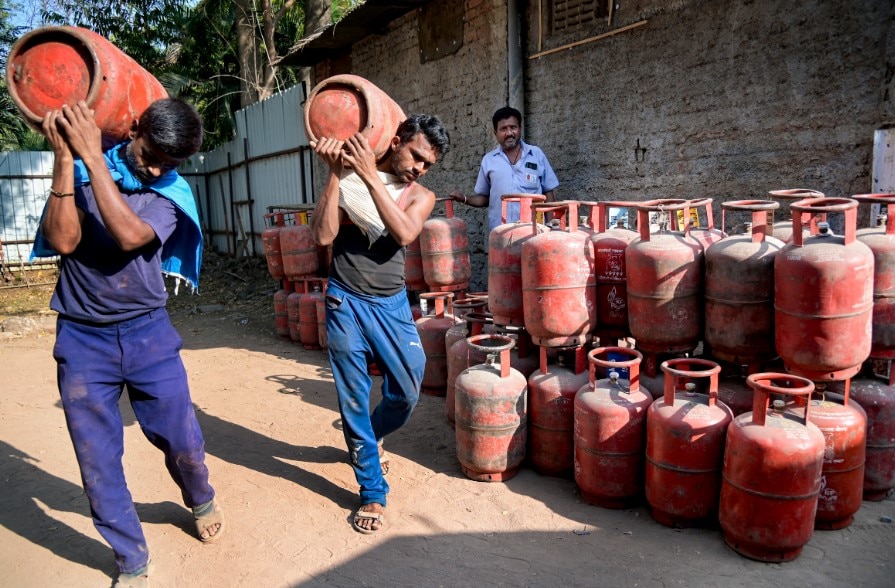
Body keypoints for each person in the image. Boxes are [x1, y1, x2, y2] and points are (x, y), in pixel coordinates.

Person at [33, 98, 223, 588]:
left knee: (180, 437)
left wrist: (92, 160)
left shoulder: (169, 191)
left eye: (170, 162)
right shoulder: (77, 170)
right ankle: (130, 558)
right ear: (134, 128)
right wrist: (65, 161)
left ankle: (199, 496)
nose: (158, 167)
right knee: (96, 457)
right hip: (81, 337)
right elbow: (63, 241)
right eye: (151, 154)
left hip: (148, 332)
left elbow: (131, 237)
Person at [309, 114, 450, 534]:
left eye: (428, 164)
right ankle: (372, 489)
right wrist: (336, 175)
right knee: (352, 396)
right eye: (416, 156)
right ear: (398, 139)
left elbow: (405, 232)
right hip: (344, 300)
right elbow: (321, 236)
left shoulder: (420, 194)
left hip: (391, 305)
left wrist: (371, 177)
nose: (419, 167)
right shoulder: (349, 178)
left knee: (407, 390)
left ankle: (368, 440)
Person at [450, 106, 559, 231]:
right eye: (503, 129)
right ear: (495, 133)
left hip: (534, 231)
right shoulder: (489, 160)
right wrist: (464, 198)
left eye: (513, 127)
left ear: (520, 129)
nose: (509, 133)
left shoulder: (536, 155)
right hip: (501, 233)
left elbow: (548, 192)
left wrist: (551, 226)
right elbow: (485, 198)